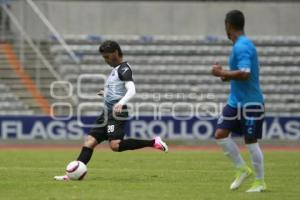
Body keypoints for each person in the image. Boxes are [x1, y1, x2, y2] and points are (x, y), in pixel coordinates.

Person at [54, 40, 168, 181]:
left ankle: (153, 142)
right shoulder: (115, 70)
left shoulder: (124, 68)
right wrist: (106, 92)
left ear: (115, 53)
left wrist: (121, 102)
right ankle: (71, 175)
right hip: (107, 112)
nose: (106, 60)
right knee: (89, 141)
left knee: (115, 145)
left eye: (107, 57)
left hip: (117, 113)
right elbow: (116, 89)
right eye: (104, 57)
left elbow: (132, 90)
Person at [211, 10, 266, 192]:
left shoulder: (242, 46)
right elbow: (239, 74)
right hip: (235, 101)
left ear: (228, 25)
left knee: (250, 141)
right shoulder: (238, 46)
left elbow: (245, 73)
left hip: (251, 102)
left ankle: (259, 182)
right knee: (220, 134)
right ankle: (242, 169)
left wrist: (222, 73)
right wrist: (224, 75)